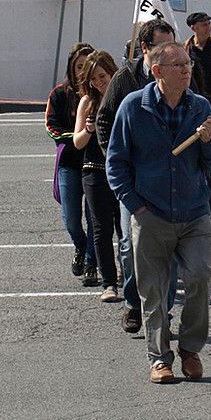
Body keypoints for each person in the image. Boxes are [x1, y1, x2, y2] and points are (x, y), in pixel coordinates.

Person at [107, 42, 211, 384]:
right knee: (154, 290)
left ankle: (190, 348)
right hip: (151, 212)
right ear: (157, 71)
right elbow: (116, 163)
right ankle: (159, 358)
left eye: (188, 64)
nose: (187, 70)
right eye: (178, 65)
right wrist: (136, 206)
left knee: (201, 277)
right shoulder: (133, 107)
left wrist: (208, 141)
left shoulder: (199, 105)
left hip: (193, 211)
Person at [96, 19, 180, 334]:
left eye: (173, 46)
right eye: (162, 47)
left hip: (171, 180)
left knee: (169, 249)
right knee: (131, 245)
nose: (170, 54)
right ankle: (134, 303)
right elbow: (104, 120)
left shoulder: (181, 72)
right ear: (144, 48)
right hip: (134, 180)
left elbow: (200, 114)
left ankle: (163, 311)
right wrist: (114, 159)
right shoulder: (125, 78)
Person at [72, 50, 123, 302]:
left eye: (102, 76)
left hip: (122, 170)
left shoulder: (124, 97)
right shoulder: (87, 102)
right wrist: (89, 129)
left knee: (125, 228)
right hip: (94, 170)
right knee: (101, 229)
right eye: (93, 79)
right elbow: (77, 142)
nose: (99, 83)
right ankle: (109, 283)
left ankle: (129, 273)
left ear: (112, 71)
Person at [46, 42, 97, 283]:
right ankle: (81, 245)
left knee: (95, 217)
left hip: (95, 162)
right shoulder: (59, 94)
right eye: (78, 66)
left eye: (86, 66)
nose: (81, 72)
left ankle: (91, 262)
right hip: (69, 163)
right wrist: (77, 135)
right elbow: (52, 127)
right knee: (71, 219)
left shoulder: (101, 92)